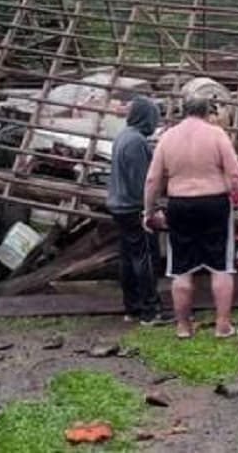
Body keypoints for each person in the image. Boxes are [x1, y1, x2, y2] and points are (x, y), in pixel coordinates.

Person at [143, 95, 238, 339]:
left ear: (184, 112)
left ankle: (183, 327)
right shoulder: (216, 135)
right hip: (214, 202)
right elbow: (236, 175)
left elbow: (153, 179)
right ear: (207, 112)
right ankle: (222, 325)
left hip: (180, 204)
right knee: (221, 267)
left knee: (181, 269)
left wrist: (149, 210)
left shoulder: (167, 137)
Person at [107, 96, 165, 324]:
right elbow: (141, 181)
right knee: (145, 258)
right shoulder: (136, 142)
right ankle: (150, 311)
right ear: (145, 117)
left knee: (128, 258)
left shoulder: (123, 137)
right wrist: (150, 209)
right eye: (153, 118)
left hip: (119, 205)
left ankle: (131, 308)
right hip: (133, 208)